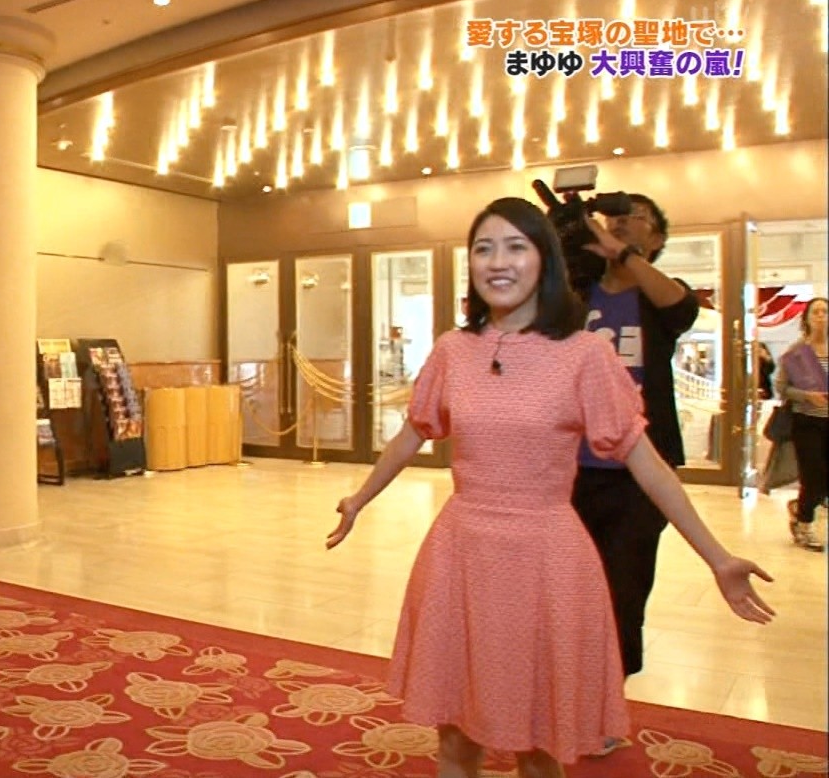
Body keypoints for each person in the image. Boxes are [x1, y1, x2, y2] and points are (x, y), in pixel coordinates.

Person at [325, 197, 774, 778]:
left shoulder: (585, 354)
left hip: (546, 557)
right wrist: (360, 498)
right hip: (462, 551)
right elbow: (414, 431)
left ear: (545, 261)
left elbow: (648, 464)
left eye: (516, 247)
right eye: (484, 248)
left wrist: (717, 558)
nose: (498, 261)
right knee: (455, 735)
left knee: (539, 744)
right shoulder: (452, 350)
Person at [568, 194, 700, 719]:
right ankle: (565, 689)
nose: (620, 222)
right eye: (613, 216)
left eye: (635, 216)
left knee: (624, 587)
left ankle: (606, 704)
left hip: (640, 472)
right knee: (569, 587)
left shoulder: (661, 296)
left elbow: (681, 309)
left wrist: (621, 253)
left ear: (658, 238)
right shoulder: (578, 295)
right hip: (570, 466)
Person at [775, 296, 829, 552]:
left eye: (825, 311)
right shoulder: (796, 353)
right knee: (813, 476)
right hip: (807, 422)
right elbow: (781, 387)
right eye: (816, 312)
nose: (821, 316)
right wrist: (807, 396)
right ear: (806, 318)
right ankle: (804, 524)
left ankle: (800, 507)